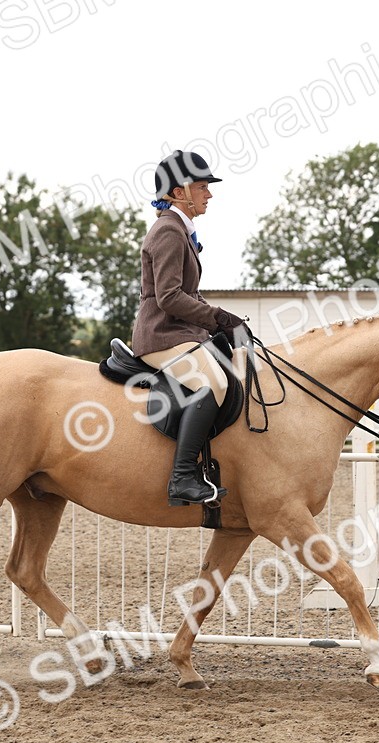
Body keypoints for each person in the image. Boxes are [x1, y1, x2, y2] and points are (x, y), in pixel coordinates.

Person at [132, 150, 244, 506]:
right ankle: (182, 478)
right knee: (214, 381)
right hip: (162, 334)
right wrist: (218, 318)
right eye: (202, 186)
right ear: (179, 192)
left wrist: (216, 327)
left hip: (182, 333)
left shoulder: (179, 229)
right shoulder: (168, 230)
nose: (209, 194)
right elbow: (168, 297)